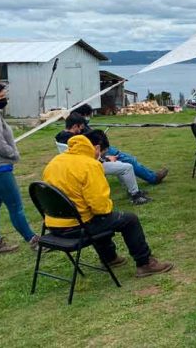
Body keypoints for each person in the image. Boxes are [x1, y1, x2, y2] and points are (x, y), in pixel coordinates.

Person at [43, 130, 173, 277]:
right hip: (77, 227)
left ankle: (109, 257)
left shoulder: (54, 162)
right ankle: (145, 263)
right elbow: (100, 208)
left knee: (98, 217)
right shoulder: (90, 165)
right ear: (96, 149)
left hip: (54, 225)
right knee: (128, 219)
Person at [55, 113, 151, 205]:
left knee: (119, 164)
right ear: (75, 126)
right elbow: (89, 156)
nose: (81, 130)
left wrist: (105, 158)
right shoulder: (77, 140)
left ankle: (132, 190)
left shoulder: (60, 136)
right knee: (127, 167)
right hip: (88, 166)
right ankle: (135, 195)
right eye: (81, 127)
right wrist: (106, 159)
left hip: (78, 164)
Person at [0, 83, 40, 254]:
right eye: (1, 95)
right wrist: (13, 154)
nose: (4, 98)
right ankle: (33, 240)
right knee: (15, 206)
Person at [74, 104, 168, 184]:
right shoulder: (78, 129)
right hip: (99, 152)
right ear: (83, 115)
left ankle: (151, 175)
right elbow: (89, 142)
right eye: (87, 115)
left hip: (100, 149)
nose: (88, 118)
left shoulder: (76, 126)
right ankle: (153, 178)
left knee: (129, 158)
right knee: (130, 160)